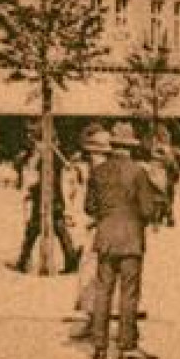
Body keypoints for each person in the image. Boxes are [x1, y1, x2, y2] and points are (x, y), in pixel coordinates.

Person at [84, 121, 163, 359]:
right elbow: (147, 209)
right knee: (129, 293)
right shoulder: (138, 173)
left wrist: (106, 217)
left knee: (103, 290)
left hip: (105, 237)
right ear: (130, 147)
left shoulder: (98, 172)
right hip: (131, 239)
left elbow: (89, 207)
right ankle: (127, 345)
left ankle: (99, 345)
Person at [68, 127, 111, 340]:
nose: (92, 156)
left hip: (100, 230)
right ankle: (92, 319)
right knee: (89, 274)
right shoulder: (92, 172)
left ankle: (95, 321)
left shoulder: (104, 173)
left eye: (95, 152)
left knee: (93, 275)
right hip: (93, 229)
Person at [11, 139, 79, 274]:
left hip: (44, 200)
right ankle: (71, 259)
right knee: (58, 230)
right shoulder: (55, 157)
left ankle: (23, 262)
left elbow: (34, 176)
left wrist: (31, 190)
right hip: (54, 199)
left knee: (33, 231)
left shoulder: (45, 158)